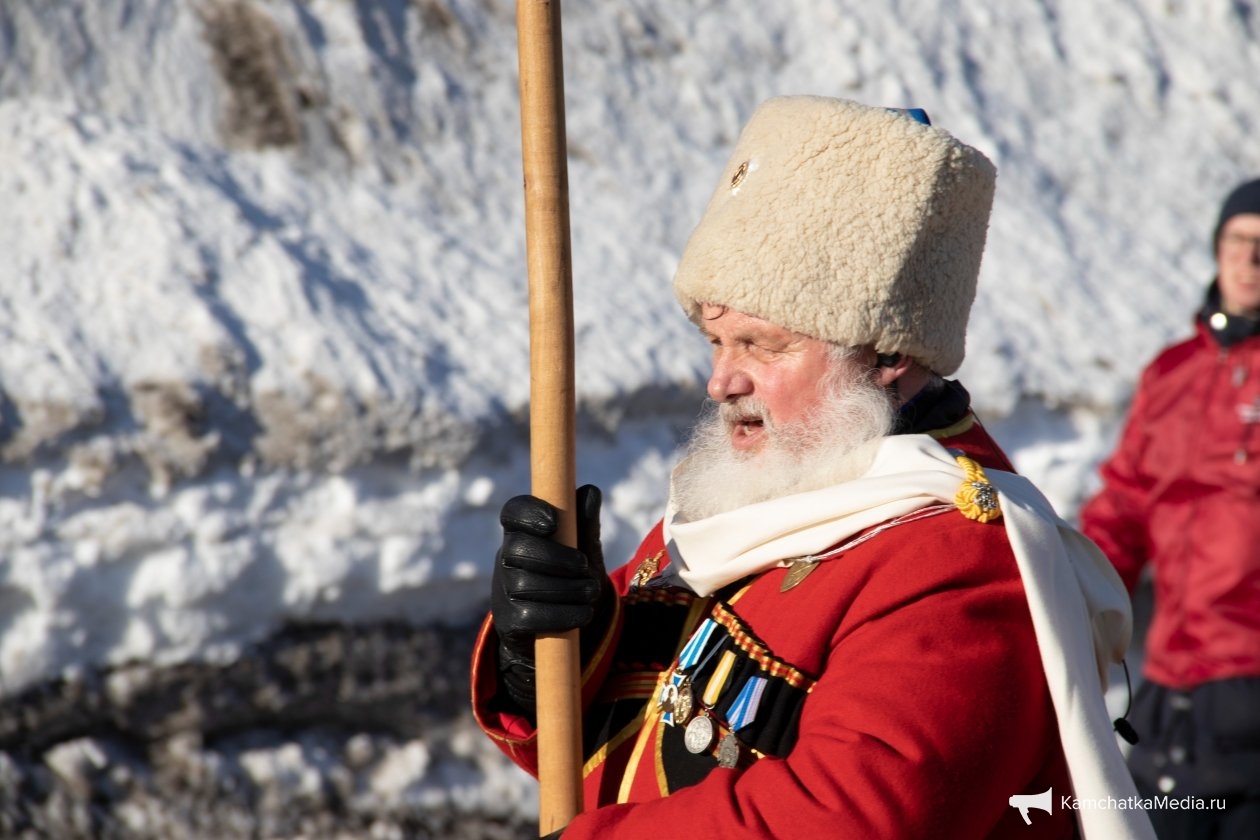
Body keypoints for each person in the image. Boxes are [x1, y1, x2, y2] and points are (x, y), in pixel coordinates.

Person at [473, 95, 1154, 839]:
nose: (721, 382)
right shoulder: (766, 485)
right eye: (716, 343)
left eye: (762, 346)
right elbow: (629, 757)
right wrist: (548, 661)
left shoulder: (958, 563)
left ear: (889, 355)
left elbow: (844, 821)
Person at [1080, 178, 1260, 839]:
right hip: (1167, 681)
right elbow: (1124, 504)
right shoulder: (1172, 371)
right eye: (1238, 241)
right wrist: (1080, 604)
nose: (1250, 260)